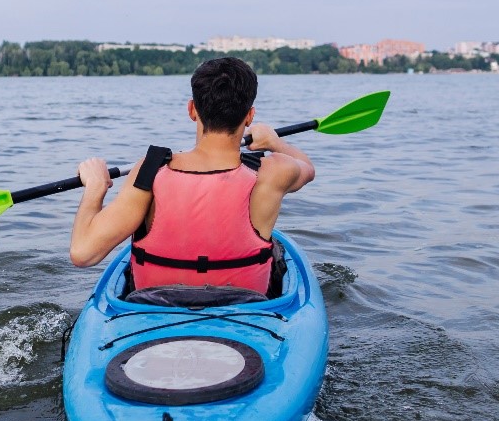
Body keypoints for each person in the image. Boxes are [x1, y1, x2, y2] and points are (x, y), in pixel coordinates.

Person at [69, 57, 315, 295]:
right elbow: (307, 168)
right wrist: (274, 142)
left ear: (192, 109)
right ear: (249, 116)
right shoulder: (273, 171)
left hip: (154, 309)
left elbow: (83, 253)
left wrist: (96, 187)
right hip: (246, 309)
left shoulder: (150, 171)